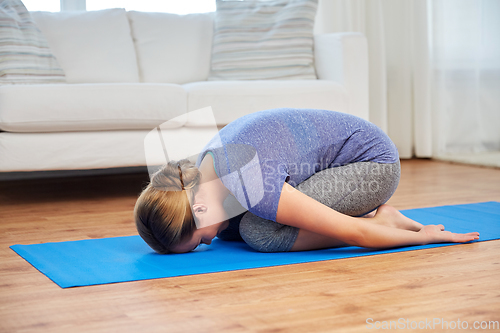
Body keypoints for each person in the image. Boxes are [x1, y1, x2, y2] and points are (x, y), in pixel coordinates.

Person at [134, 108, 479, 254]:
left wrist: (421, 238)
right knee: (230, 230)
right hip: (330, 162)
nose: (206, 244)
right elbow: (219, 225)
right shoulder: (202, 169)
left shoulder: (252, 183)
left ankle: (385, 217)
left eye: (198, 241)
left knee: (258, 233)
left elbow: (353, 234)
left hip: (372, 167)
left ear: (199, 205)